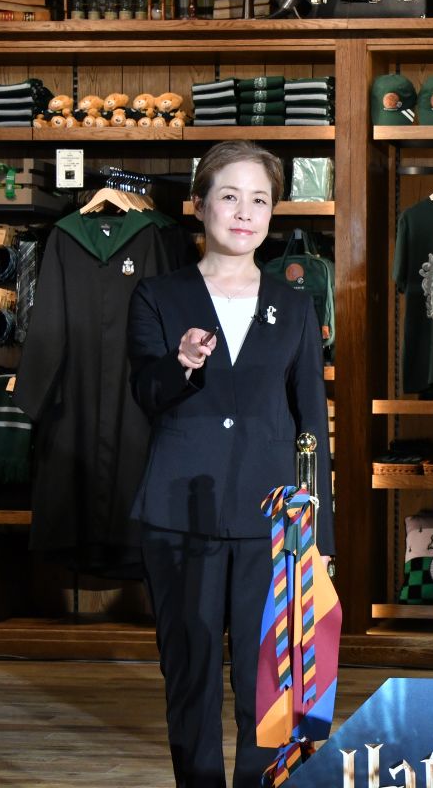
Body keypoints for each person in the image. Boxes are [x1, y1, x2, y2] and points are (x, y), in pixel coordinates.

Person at [126, 140, 334, 788]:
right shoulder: (158, 296)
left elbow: (311, 423)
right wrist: (181, 364)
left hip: (273, 523)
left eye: (260, 200)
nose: (245, 213)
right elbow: (145, 394)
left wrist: (319, 537)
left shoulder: (294, 306)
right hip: (178, 517)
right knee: (188, 680)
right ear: (200, 205)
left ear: (272, 213)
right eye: (229, 196)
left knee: (270, 686)